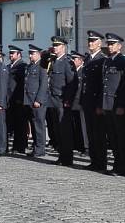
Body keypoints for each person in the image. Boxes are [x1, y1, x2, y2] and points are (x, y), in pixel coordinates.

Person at [101, 33, 125, 176]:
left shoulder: (124, 62)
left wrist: (121, 105)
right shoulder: (108, 61)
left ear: (119, 46)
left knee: (122, 138)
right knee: (113, 138)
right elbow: (105, 84)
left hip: (117, 105)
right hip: (108, 104)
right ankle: (116, 165)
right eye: (108, 44)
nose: (110, 46)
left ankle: (124, 167)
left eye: (113, 44)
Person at [48, 36, 77, 167]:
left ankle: (67, 158)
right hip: (53, 99)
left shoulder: (67, 62)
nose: (55, 47)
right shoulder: (53, 61)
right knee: (57, 130)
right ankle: (61, 155)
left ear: (63, 47)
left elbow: (72, 83)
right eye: (54, 45)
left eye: (57, 45)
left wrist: (68, 100)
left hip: (62, 100)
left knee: (65, 131)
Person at [82, 31, 106, 172]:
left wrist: (99, 104)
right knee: (90, 133)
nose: (90, 43)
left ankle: (101, 162)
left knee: (99, 134)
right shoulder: (88, 59)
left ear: (99, 43)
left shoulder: (102, 59)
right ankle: (94, 160)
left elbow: (103, 84)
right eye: (89, 40)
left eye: (93, 41)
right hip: (87, 101)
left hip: (96, 102)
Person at [24, 44, 49, 157]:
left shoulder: (42, 66)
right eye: (29, 53)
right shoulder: (30, 66)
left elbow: (43, 84)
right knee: (34, 125)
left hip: (37, 101)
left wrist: (39, 100)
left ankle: (40, 148)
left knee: (39, 125)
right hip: (29, 100)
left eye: (32, 53)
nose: (30, 55)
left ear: (39, 54)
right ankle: (36, 147)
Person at [6, 45, 27, 154]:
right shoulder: (9, 66)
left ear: (19, 54)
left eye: (13, 53)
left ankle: (20, 147)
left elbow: (22, 84)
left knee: (20, 125)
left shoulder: (22, 66)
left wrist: (20, 98)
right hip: (10, 99)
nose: (10, 55)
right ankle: (15, 146)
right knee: (13, 123)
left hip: (18, 99)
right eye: (10, 53)